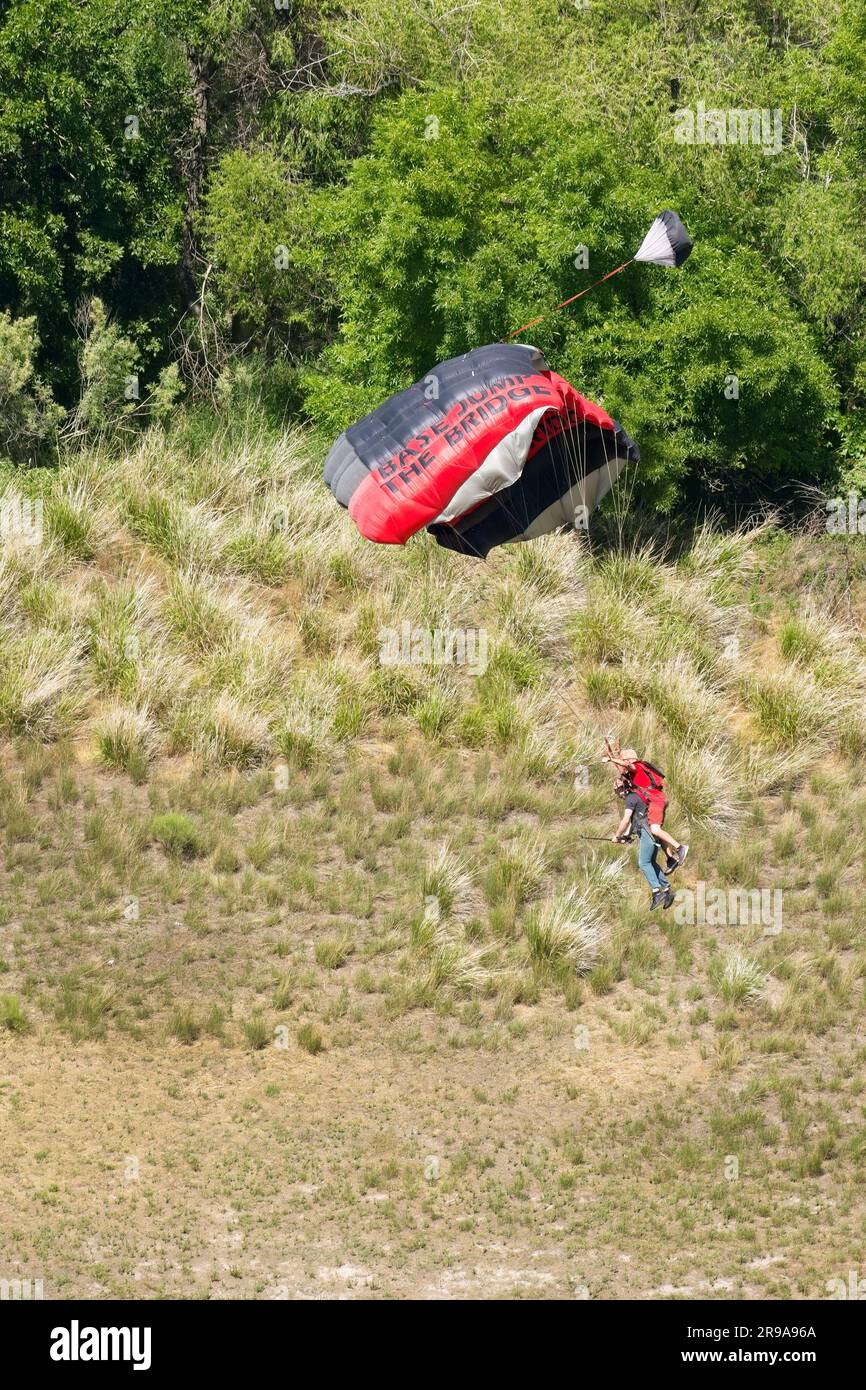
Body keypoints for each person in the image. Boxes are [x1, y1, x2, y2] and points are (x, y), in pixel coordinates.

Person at [602, 739, 689, 871]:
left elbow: (626, 765)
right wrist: (613, 755)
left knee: (655, 830)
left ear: (630, 760)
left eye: (625, 761)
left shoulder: (636, 767)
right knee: (656, 831)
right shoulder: (638, 769)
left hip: (655, 800)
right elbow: (623, 767)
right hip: (657, 799)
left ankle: (680, 847)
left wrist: (611, 760)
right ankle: (670, 859)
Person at [611, 775, 675, 910]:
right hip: (651, 831)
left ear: (622, 788)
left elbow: (626, 820)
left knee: (643, 863)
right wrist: (626, 836)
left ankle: (657, 893)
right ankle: (667, 890)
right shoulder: (638, 796)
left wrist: (617, 836)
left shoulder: (630, 798)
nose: (616, 793)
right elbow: (636, 820)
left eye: (616, 790)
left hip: (647, 833)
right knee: (650, 862)